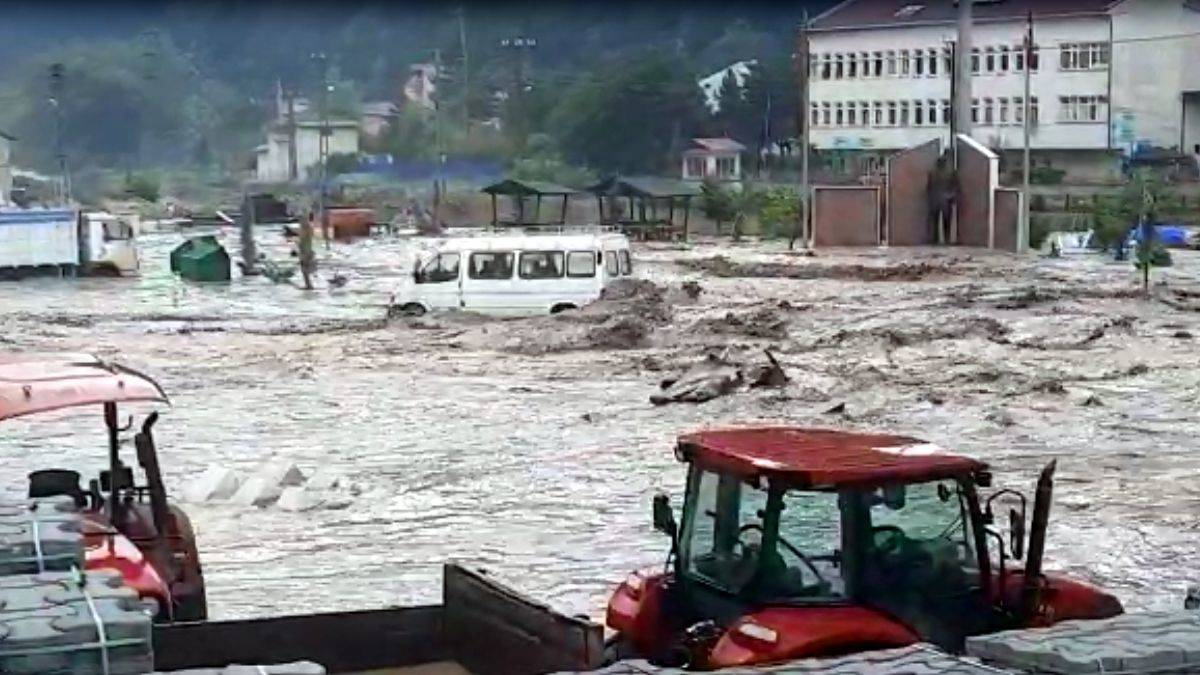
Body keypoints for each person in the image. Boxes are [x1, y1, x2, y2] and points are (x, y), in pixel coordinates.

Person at [927, 154, 957, 244]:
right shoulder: (951, 172)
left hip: (935, 200)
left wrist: (930, 198)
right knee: (946, 221)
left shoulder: (932, 173)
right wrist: (952, 196)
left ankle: (935, 239)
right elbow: (955, 186)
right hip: (946, 200)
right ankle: (946, 239)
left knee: (935, 221)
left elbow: (929, 187)